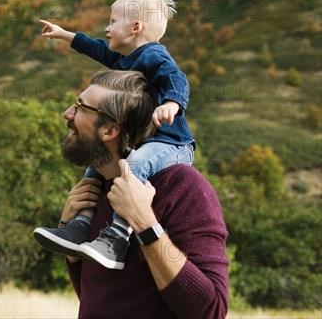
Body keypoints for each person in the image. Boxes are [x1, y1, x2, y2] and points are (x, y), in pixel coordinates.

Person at [45, 70, 228, 318]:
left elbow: (211, 311)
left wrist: (144, 221)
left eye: (79, 107)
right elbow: (98, 301)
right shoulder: (97, 190)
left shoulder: (183, 186)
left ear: (109, 130)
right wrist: (72, 232)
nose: (67, 113)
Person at [33, 0, 196, 270]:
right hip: (144, 140)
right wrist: (64, 34)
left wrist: (172, 103)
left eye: (113, 21)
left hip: (172, 144)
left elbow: (176, 78)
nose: (107, 28)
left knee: (134, 165)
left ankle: (116, 238)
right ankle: (81, 225)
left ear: (135, 28)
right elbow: (95, 48)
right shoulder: (125, 60)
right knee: (96, 163)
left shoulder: (153, 55)